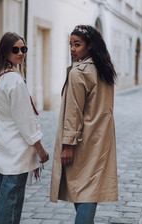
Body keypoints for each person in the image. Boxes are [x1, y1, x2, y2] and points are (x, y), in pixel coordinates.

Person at [50, 25, 118, 223]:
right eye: (70, 44)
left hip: (82, 142)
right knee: (90, 188)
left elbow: (73, 111)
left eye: (77, 44)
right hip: (101, 139)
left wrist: (68, 145)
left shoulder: (79, 72)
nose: (72, 49)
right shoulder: (104, 69)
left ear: (89, 46)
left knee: (83, 191)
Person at [0, 32, 49, 224]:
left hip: (3, 141)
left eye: (24, 49)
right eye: (15, 49)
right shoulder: (14, 80)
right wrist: (39, 147)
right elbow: (25, 119)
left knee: (5, 193)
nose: (20, 53)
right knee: (11, 198)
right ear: (5, 52)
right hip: (16, 144)